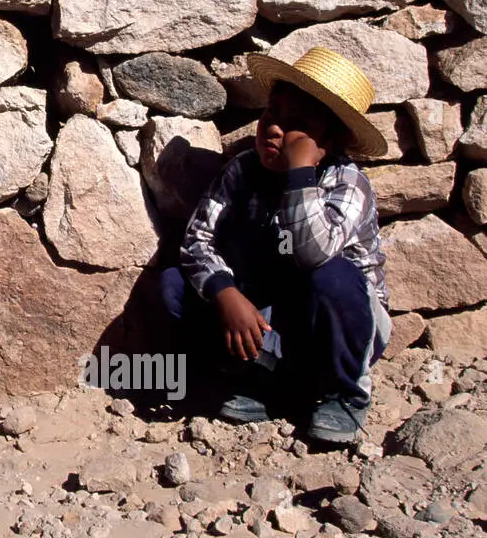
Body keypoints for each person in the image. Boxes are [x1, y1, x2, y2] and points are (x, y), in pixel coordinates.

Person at [160, 47, 392, 444]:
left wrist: (300, 174)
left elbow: (311, 253)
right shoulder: (243, 171)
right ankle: (264, 378)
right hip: (267, 313)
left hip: (336, 325)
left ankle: (344, 393)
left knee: (332, 276)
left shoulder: (346, 184)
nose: (274, 129)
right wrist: (225, 293)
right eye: (271, 113)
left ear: (328, 143)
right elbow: (198, 239)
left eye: (296, 124)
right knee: (174, 286)